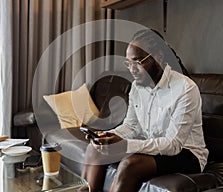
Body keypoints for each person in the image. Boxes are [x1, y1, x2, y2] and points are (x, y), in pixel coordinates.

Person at [81, 29, 209, 192]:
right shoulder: (137, 86)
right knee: (95, 148)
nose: (132, 69)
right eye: (128, 63)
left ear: (159, 58)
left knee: (131, 164)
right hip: (154, 146)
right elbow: (131, 126)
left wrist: (125, 145)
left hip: (186, 153)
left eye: (138, 61)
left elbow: (173, 144)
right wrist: (108, 137)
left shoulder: (185, 88)